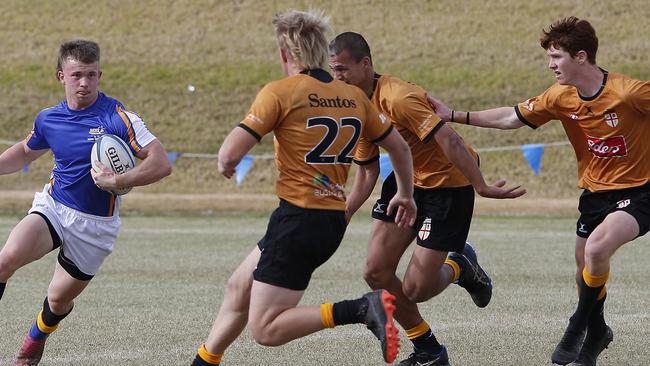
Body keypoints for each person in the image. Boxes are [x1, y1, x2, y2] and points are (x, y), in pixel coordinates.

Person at [190, 9, 417, 366]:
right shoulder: (353, 97)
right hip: (329, 222)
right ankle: (205, 360)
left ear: (285, 54)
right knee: (239, 288)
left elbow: (227, 155)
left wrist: (226, 164)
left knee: (265, 330)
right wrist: (405, 193)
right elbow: (400, 148)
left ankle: (360, 308)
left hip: (297, 219)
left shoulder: (281, 92)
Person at [428, 16, 650, 366]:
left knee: (597, 248)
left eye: (556, 57)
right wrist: (454, 114)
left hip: (640, 192)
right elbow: (511, 118)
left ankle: (577, 327)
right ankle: (597, 335)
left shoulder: (629, 92)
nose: (550, 65)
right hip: (594, 195)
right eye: (549, 57)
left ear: (581, 57)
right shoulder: (560, 97)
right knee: (584, 271)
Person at [329, 32, 525, 366]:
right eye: (333, 70)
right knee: (376, 271)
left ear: (365, 64)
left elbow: (450, 141)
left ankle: (461, 265)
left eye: (343, 69)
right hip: (408, 181)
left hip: (450, 185)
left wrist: (481, 186)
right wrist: (341, 216)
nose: (338, 77)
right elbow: (366, 171)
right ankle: (429, 351)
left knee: (417, 289)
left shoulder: (398, 97)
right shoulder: (356, 105)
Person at [0, 39, 172, 365]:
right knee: (4, 260)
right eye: (77, 74)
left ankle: (35, 339)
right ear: (60, 76)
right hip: (54, 206)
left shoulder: (118, 118)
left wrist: (119, 181)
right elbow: (25, 151)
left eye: (91, 75)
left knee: (57, 300)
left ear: (99, 75)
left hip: (95, 226)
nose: (84, 83)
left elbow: (161, 163)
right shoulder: (49, 119)